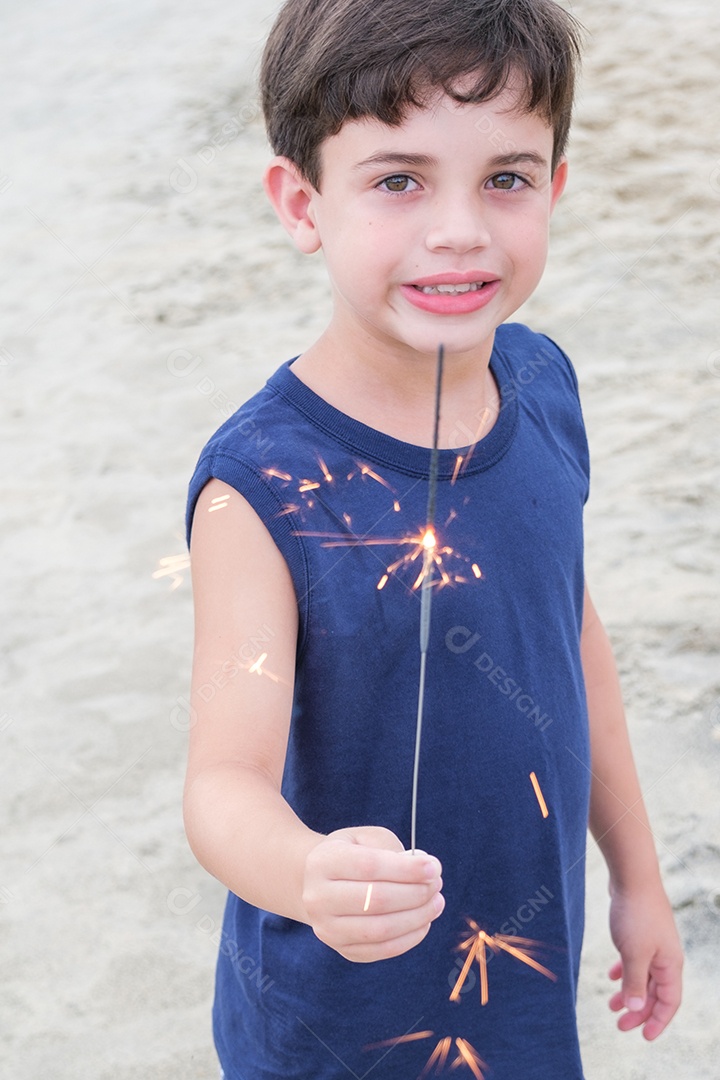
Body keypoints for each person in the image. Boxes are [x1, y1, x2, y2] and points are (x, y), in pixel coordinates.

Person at [183, 1, 683, 1076]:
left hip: (517, 982)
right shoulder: (261, 486)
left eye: (505, 177)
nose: (458, 229)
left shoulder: (542, 384)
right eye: (398, 180)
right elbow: (222, 785)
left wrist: (638, 878)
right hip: (340, 1022)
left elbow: (568, 635)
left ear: (555, 186)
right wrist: (308, 872)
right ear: (301, 201)